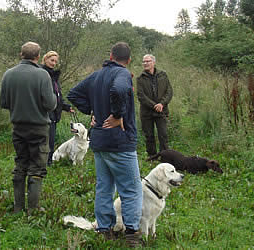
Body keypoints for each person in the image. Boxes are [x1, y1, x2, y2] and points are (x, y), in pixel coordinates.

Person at [67, 42, 143, 247]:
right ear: (128, 60)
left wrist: (91, 111)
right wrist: (118, 116)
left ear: (110, 56)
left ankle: (104, 229)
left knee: (104, 187)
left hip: (99, 141)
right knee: (131, 189)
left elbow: (73, 94)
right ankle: (132, 234)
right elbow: (118, 90)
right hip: (120, 141)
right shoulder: (123, 74)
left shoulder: (96, 75)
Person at [0, 42, 57, 213]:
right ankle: (33, 209)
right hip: (39, 128)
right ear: (38, 57)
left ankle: (18, 207)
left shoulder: (8, 74)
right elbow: (50, 104)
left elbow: (3, 103)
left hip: (18, 127)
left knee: (21, 164)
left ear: (20, 54)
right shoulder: (43, 75)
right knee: (37, 167)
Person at [39, 51, 74, 166]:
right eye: (51, 60)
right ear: (45, 60)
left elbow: (57, 96)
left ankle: (49, 162)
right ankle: (44, 163)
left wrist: (66, 107)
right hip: (44, 113)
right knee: (45, 140)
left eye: (55, 61)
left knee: (51, 140)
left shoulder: (54, 77)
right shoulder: (41, 74)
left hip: (54, 113)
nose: (53, 63)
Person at [136, 54, 173, 159]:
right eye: (144, 61)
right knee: (149, 136)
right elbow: (141, 96)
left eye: (148, 61)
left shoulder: (163, 75)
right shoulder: (140, 78)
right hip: (147, 112)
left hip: (162, 111)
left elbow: (169, 91)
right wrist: (154, 106)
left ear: (153, 62)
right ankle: (152, 157)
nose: (145, 63)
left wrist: (162, 104)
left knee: (163, 135)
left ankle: (165, 157)